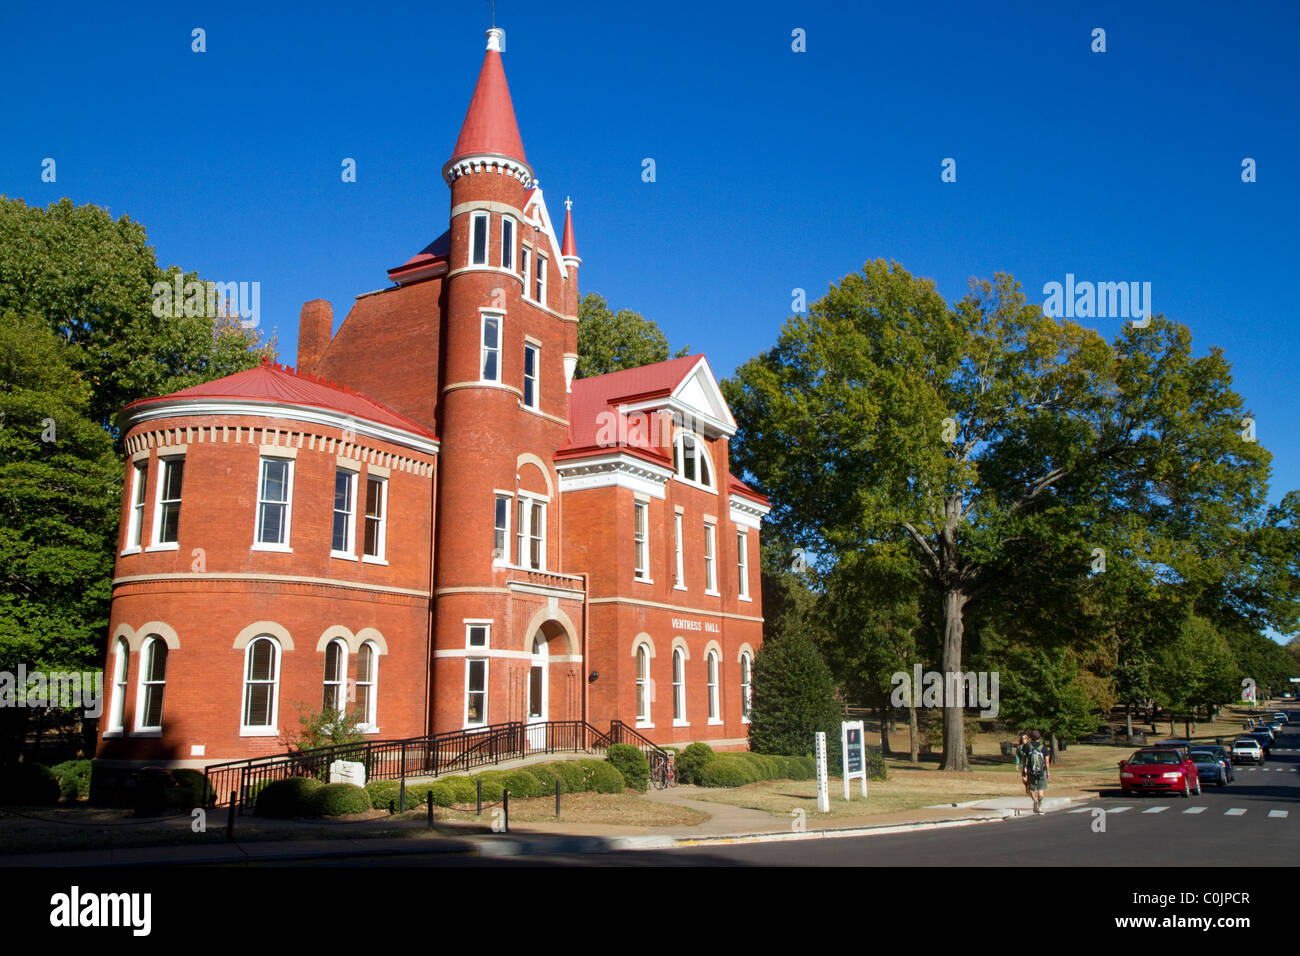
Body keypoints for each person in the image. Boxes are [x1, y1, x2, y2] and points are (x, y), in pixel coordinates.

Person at [1023, 730, 1050, 814]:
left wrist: (1024, 769)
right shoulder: (1043, 747)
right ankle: (1040, 807)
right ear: (1039, 737)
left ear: (1031, 737)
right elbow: (1047, 761)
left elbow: (1024, 758)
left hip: (1031, 771)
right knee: (1041, 789)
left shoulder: (1027, 746)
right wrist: (1048, 772)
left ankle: (1035, 801)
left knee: (1031, 788)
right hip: (1042, 771)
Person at [1014, 733, 1032, 797]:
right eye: (1022, 738)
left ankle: (1030, 789)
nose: (1023, 740)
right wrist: (1017, 764)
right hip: (1022, 764)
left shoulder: (1030, 746)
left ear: (1027, 739)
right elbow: (1017, 755)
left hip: (1029, 764)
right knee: (1024, 779)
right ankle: (1027, 787)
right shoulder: (1019, 746)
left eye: (1024, 738)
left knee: (1029, 778)